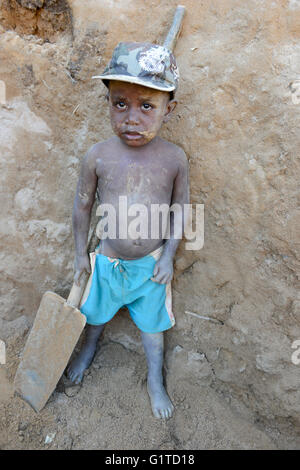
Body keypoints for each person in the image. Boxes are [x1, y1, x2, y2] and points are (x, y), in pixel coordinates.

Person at [67, 42, 189, 419]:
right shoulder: (99, 155)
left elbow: (181, 210)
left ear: (169, 110)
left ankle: (155, 379)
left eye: (147, 106)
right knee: (94, 317)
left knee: (153, 331)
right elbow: (82, 205)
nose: (131, 118)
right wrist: (79, 256)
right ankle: (87, 351)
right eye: (120, 103)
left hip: (151, 268)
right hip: (108, 262)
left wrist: (168, 256)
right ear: (108, 104)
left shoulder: (173, 158)